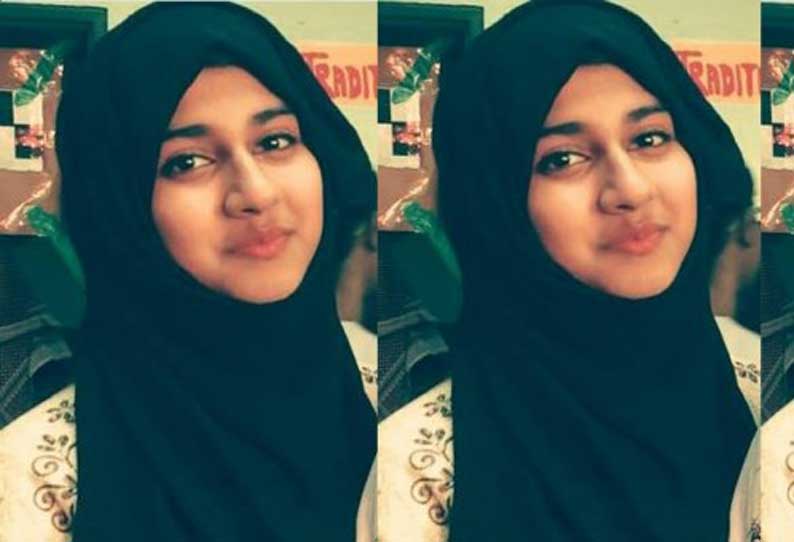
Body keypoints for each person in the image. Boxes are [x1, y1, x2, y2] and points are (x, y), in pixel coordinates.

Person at [378, 1, 756, 541]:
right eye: (562, 159)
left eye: (649, 139)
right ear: (497, 205)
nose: (630, 189)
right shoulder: (421, 471)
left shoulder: (764, 403)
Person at [0, 3, 375, 541]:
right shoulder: (39, 476)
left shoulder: (389, 395)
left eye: (275, 142)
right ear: (120, 209)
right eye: (187, 162)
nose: (256, 193)